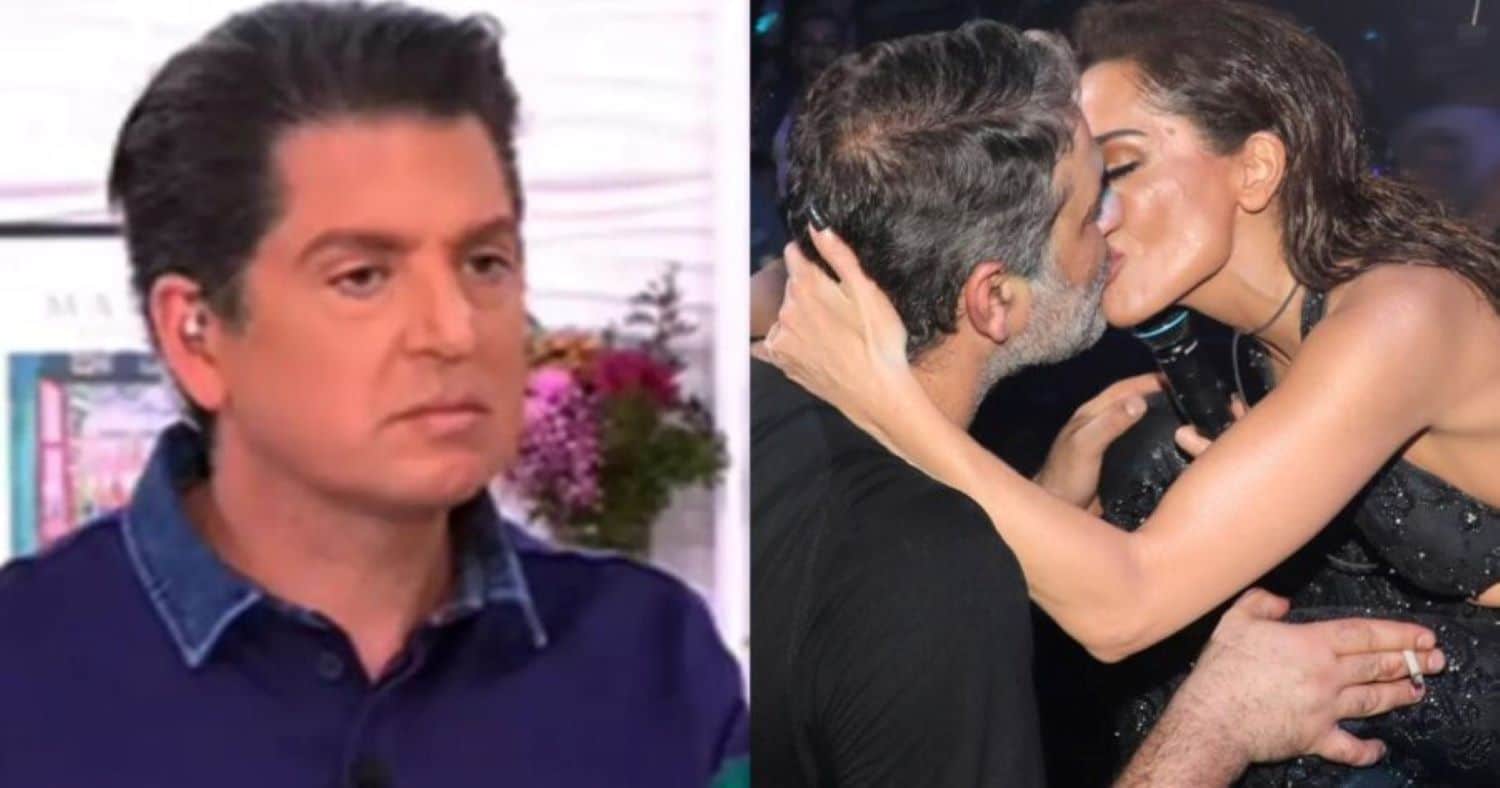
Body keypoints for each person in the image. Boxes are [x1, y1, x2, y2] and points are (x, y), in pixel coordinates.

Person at [0, 4, 747, 787]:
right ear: (198, 334)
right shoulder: (24, 673)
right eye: (362, 277)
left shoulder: (652, 660)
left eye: (485, 263)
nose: (454, 329)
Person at [761, 0, 1500, 783]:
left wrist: (886, 399)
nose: (1096, 213)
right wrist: (1048, 496)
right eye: (1084, 181)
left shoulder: (1404, 313)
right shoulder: (1247, 354)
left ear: (1255, 168)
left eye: (1118, 169)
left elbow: (1127, 606)